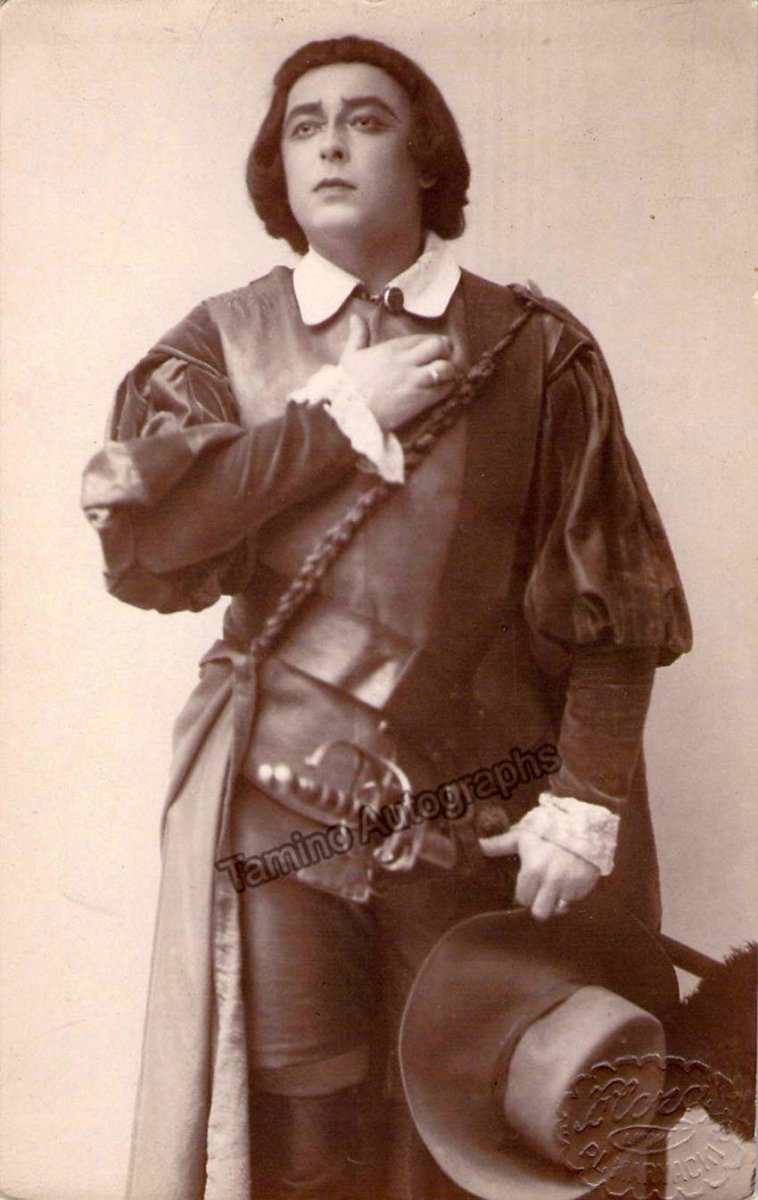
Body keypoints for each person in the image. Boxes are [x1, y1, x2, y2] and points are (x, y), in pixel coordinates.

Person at [81, 34, 692, 1200]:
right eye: (303, 126)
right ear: (277, 165)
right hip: (278, 818)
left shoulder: (533, 348)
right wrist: (327, 422)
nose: (329, 145)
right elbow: (151, 545)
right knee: (302, 1145)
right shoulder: (217, 344)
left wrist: (585, 801)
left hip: (483, 821)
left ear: (423, 160)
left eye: (364, 120)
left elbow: (618, 606)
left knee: (463, 1142)